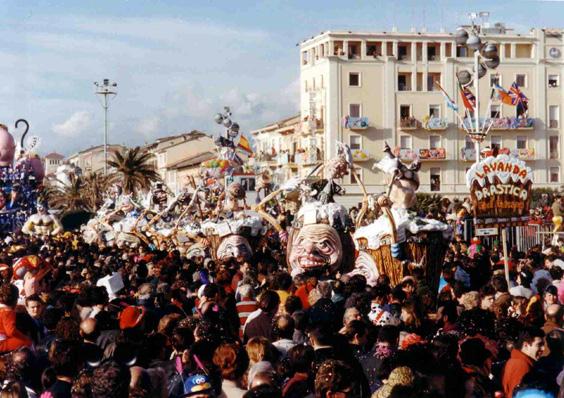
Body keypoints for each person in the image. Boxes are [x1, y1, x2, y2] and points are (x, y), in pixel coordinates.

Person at [502, 327, 545, 398]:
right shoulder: (522, 366)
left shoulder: (515, 361)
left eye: (543, 344)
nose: (543, 348)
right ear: (526, 345)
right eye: (539, 344)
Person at [0, 283, 32, 352]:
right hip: (1, 344)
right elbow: (11, 331)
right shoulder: (7, 311)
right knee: (27, 342)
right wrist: (24, 337)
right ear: (15, 299)